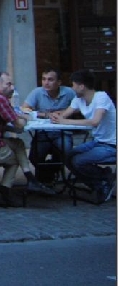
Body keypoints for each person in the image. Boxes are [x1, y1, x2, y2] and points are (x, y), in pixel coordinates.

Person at [0, 71, 51, 205]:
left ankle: (31, 180)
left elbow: (0, 121)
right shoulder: (0, 100)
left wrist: (18, 116)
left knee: (18, 143)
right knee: (15, 158)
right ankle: (5, 193)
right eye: (8, 84)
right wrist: (26, 118)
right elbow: (19, 125)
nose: (12, 88)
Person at [53, 69, 116, 203]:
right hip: (98, 142)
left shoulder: (101, 97)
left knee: (79, 161)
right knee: (68, 157)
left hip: (112, 145)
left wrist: (65, 121)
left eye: (73, 85)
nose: (72, 88)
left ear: (81, 86)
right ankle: (99, 183)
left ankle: (104, 178)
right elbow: (64, 115)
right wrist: (56, 116)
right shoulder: (79, 100)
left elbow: (95, 121)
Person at [23, 68, 78, 183]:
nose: (46, 83)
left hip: (63, 132)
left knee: (67, 153)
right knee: (34, 157)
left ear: (59, 82)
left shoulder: (69, 92)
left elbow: (80, 107)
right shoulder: (37, 92)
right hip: (43, 132)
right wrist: (45, 114)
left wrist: (63, 113)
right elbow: (24, 109)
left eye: (50, 79)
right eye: (44, 79)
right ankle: (47, 175)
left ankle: (49, 173)